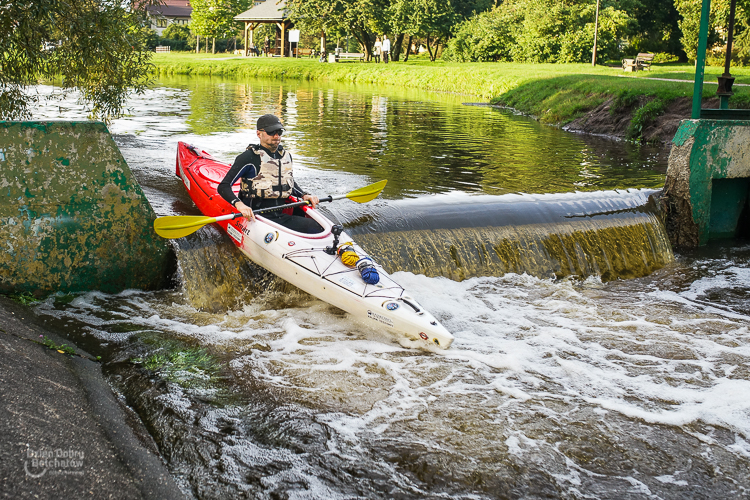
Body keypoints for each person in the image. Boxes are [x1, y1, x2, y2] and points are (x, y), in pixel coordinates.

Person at [217, 114, 322, 234]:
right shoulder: (248, 158)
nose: (276, 136)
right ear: (259, 134)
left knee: (317, 227)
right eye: (271, 132)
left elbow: (288, 182)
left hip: (280, 216)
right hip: (256, 217)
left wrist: (304, 195)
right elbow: (223, 186)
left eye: (279, 132)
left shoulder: (285, 156)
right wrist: (239, 205)